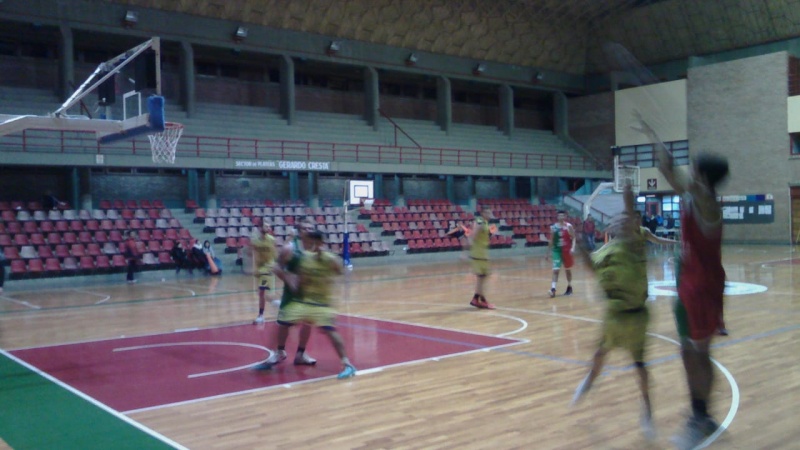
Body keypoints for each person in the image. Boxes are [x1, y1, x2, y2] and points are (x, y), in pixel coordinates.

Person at [642, 119, 729, 449]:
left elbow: (675, 176)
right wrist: (654, 136)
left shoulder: (706, 202)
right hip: (688, 280)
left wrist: (659, 144)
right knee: (687, 352)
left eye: (694, 168)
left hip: (703, 287)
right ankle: (699, 413)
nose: (689, 170)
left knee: (700, 353)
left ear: (704, 178)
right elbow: (669, 171)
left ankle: (702, 417)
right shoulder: (696, 195)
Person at [570, 183, 656, 440]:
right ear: (611, 227)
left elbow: (630, 215)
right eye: (617, 221)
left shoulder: (636, 244)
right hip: (615, 313)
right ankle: (589, 381)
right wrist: (580, 245)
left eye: (625, 220)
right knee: (600, 353)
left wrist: (628, 195)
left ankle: (647, 412)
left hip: (637, 314)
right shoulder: (606, 250)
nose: (622, 223)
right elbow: (590, 266)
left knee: (640, 367)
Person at [253, 230, 356, 379]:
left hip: (322, 303)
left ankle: (348, 364)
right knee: (282, 322)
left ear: (321, 243)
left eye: (315, 242)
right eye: (309, 241)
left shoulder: (329, 258)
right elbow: (295, 274)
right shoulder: (305, 258)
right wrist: (291, 282)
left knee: (330, 332)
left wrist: (333, 273)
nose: (312, 245)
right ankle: (275, 355)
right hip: (305, 302)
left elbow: (342, 271)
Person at [263, 218, 318, 366]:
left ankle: (301, 354)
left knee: (308, 323)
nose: (309, 230)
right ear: (299, 232)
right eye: (305, 228)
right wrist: (288, 279)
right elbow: (276, 267)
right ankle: (280, 352)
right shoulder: (290, 248)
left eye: (311, 228)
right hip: (292, 293)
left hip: (309, 292)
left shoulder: (316, 248)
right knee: (284, 324)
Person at [465, 206, 495, 309]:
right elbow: (472, 236)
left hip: (481, 253)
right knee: (483, 276)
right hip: (479, 254)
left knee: (482, 277)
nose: (489, 215)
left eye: (490, 213)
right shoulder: (480, 222)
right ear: (482, 213)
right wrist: (465, 252)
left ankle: (476, 298)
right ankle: (481, 300)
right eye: (487, 213)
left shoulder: (484, 222)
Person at [251, 222, 278, 324]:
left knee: (262, 292)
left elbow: (276, 254)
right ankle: (275, 305)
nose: (269, 227)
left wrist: (276, 266)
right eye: (266, 226)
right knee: (262, 293)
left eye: (269, 226)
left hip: (269, 268)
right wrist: (255, 268)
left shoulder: (271, 240)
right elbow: (254, 255)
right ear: (260, 227)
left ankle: (261, 315)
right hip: (260, 269)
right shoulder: (256, 241)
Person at [545, 210, 576, 298]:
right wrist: (547, 253)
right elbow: (551, 241)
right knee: (556, 270)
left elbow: (573, 238)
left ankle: (569, 287)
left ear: (565, 217)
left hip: (566, 251)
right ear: (557, 217)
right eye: (559, 216)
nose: (561, 217)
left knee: (568, 270)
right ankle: (553, 289)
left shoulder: (569, 226)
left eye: (562, 215)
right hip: (557, 251)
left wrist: (573, 248)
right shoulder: (553, 227)